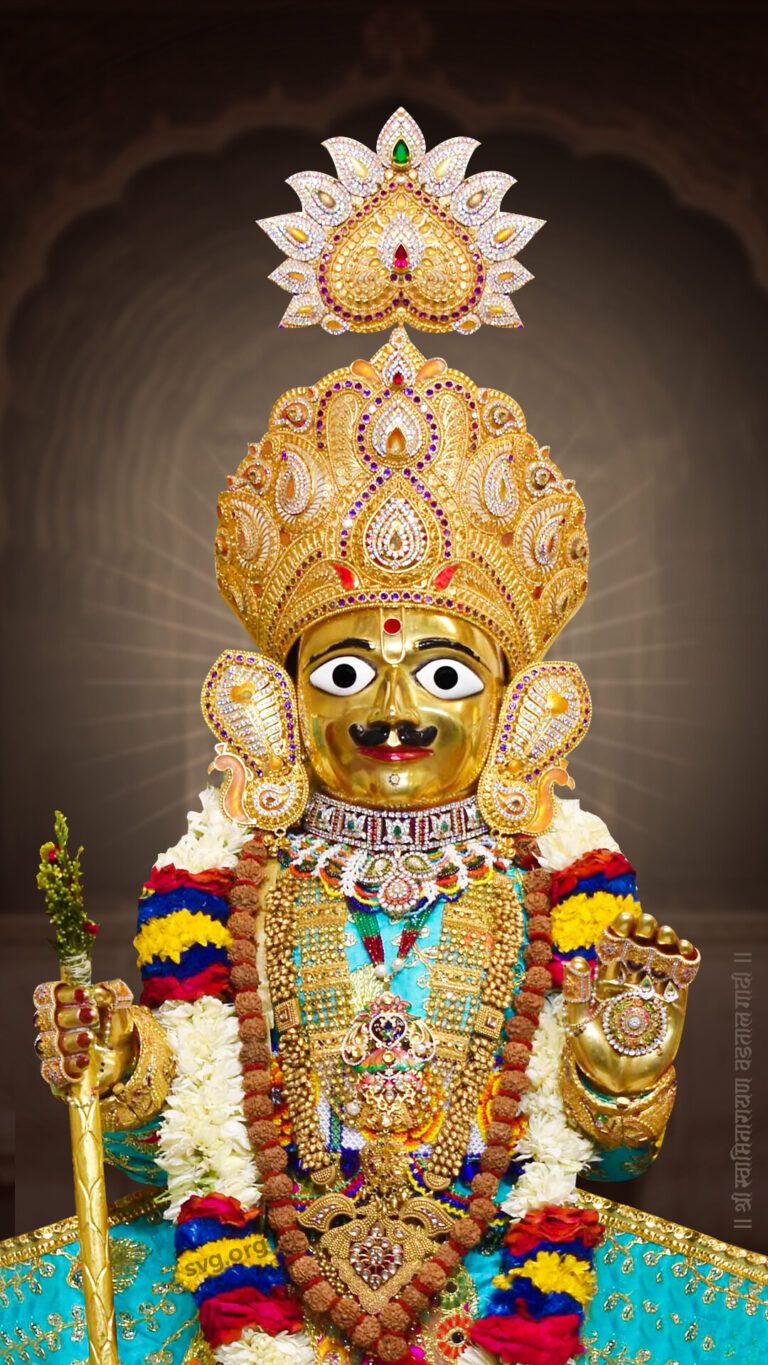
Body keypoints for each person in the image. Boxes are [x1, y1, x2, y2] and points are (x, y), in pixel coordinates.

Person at [16, 111, 765, 1365]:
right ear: (280, 699)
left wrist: (625, 1055)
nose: (394, 705)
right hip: (254, 1297)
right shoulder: (231, 880)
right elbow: (179, 1140)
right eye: (350, 668)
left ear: (519, 705)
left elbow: (614, 1152)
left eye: (446, 669)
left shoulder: (558, 881)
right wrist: (129, 1064)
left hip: (508, 1294)